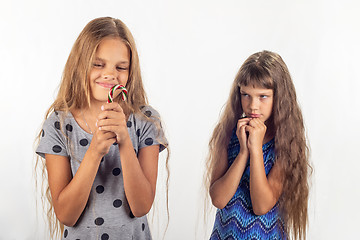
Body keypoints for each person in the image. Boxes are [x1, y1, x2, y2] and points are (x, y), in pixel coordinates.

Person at [35, 17, 168, 240]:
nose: (110, 74)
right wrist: (95, 150)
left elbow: (141, 206)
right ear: (81, 64)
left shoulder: (146, 121)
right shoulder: (58, 125)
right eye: (98, 64)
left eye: (121, 67)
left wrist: (125, 141)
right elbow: (66, 214)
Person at [206, 50, 311, 239]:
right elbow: (219, 199)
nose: (253, 105)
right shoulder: (228, 134)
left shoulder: (288, 145)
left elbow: (261, 206)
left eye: (263, 96)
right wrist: (243, 152)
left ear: (279, 97)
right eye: (246, 95)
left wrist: (256, 150)